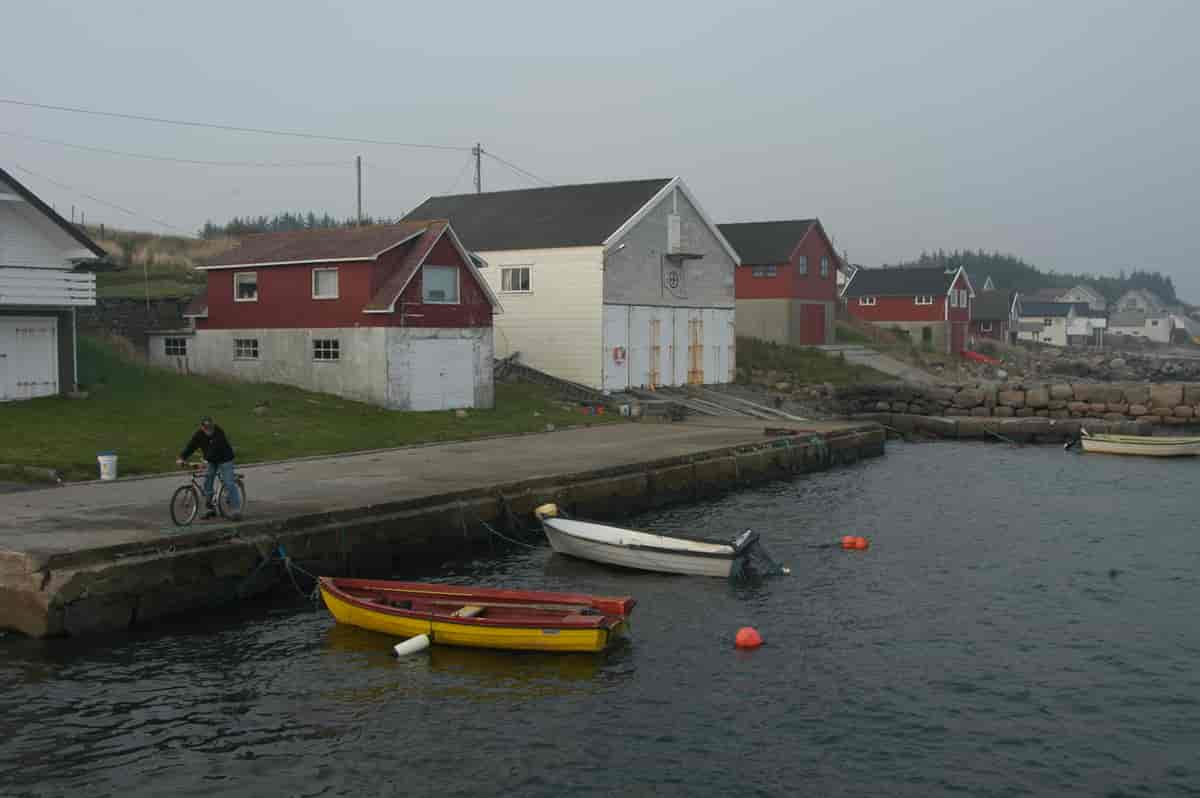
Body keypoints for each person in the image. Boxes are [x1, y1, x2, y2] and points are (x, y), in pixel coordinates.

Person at [176, 415, 241, 520]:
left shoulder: (218, 432)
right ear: (202, 427)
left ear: (213, 426)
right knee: (207, 482)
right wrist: (182, 458)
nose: (208, 430)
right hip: (211, 460)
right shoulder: (199, 434)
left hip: (225, 460)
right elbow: (191, 446)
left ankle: (236, 510)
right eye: (206, 428)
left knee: (229, 482)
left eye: (210, 428)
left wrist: (205, 461)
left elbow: (214, 448)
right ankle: (210, 509)